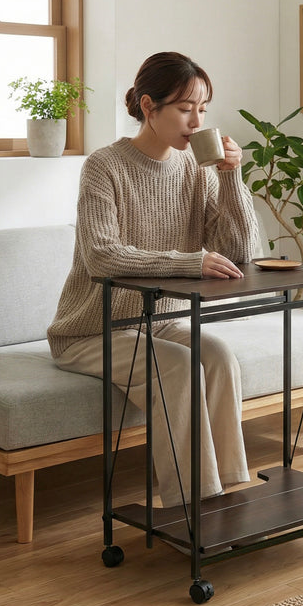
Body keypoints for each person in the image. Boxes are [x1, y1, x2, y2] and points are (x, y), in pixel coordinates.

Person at [47, 52, 259, 508]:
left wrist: (231, 177)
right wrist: (189, 263)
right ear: (148, 107)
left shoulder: (193, 168)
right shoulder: (104, 166)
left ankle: (231, 494)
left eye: (202, 109)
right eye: (185, 109)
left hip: (157, 321)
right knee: (179, 366)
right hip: (92, 330)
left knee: (219, 354)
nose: (196, 120)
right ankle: (191, 506)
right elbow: (101, 257)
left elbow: (240, 253)